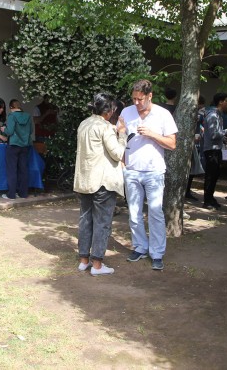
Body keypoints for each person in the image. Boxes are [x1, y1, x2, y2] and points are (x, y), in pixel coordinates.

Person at [121, 79, 178, 271]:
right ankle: (140, 247)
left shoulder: (163, 114)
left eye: (140, 99)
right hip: (131, 170)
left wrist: (152, 134)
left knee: (155, 212)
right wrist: (122, 162)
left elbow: (172, 144)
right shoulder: (126, 112)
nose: (136, 103)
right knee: (134, 213)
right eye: (134, 99)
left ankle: (157, 253)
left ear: (150, 96)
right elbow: (119, 137)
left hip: (154, 171)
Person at [74, 94, 127, 276]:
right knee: (102, 223)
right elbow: (117, 153)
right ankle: (97, 264)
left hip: (85, 181)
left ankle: (84, 260)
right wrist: (122, 134)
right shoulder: (104, 127)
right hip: (102, 182)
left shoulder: (84, 124)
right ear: (109, 111)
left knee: (85, 220)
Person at [202, 93, 227, 209]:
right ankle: (207, 200)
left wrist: (225, 139)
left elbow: (217, 134)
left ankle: (210, 198)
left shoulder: (218, 115)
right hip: (211, 150)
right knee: (210, 175)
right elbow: (213, 135)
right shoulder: (213, 115)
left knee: (215, 175)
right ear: (220, 102)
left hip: (216, 149)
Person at [2, 99, 33, 200]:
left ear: (11, 107)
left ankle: (11, 194)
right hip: (25, 146)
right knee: (23, 170)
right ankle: (23, 193)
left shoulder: (12, 116)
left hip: (13, 145)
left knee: (12, 170)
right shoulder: (28, 116)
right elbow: (31, 130)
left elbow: (10, 131)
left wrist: (4, 129)